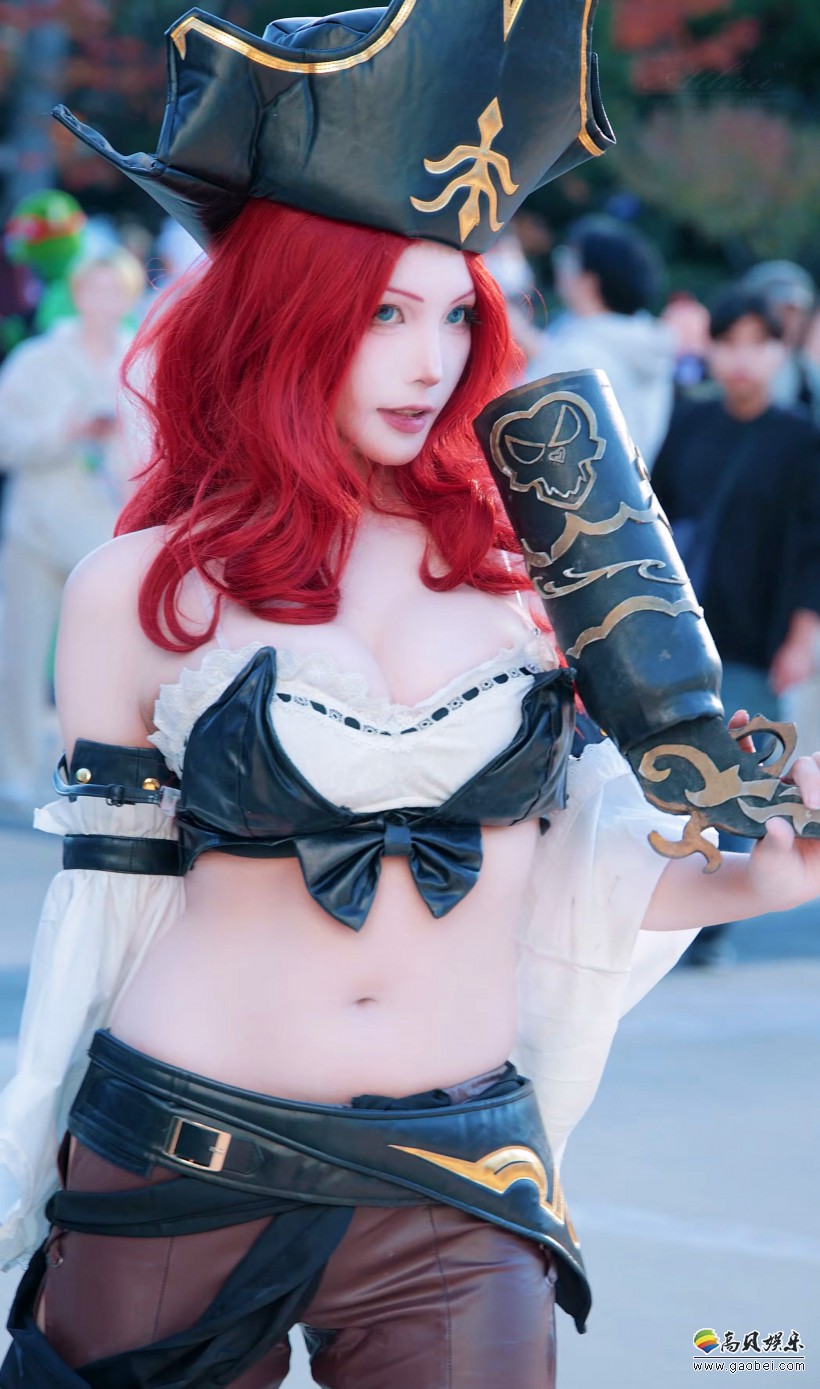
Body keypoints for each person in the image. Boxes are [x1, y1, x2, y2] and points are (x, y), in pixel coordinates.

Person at [0, 8, 819, 1388]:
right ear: (283, 318)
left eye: (455, 314)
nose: (430, 361)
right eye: (383, 312)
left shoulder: (530, 570)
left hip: (458, 1172)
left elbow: (574, 870)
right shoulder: (137, 590)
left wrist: (766, 868)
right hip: (181, 1157)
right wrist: (29, 1177)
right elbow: (104, 919)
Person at [652, 285, 820, 965]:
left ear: (781, 350)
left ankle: (720, 915)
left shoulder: (802, 437)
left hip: (755, 633)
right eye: (729, 342)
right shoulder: (691, 423)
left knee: (743, 769)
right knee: (679, 762)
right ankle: (682, 907)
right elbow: (651, 514)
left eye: (759, 342)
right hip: (680, 630)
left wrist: (802, 635)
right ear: (711, 348)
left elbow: (814, 545)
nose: (743, 358)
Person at [0, 247, 146, 810]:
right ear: (78, 293)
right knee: (20, 656)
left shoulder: (140, 363)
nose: (103, 300)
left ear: (129, 298)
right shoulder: (37, 359)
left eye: (115, 290)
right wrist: (65, 433)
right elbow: (8, 442)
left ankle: (87, 779)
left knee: (98, 669)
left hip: (103, 538)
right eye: (94, 288)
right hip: (36, 530)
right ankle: (14, 774)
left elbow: (155, 453)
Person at [529, 214, 675, 468]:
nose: (559, 266)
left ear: (590, 280)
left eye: (567, 257)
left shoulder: (580, 354)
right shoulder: (644, 338)